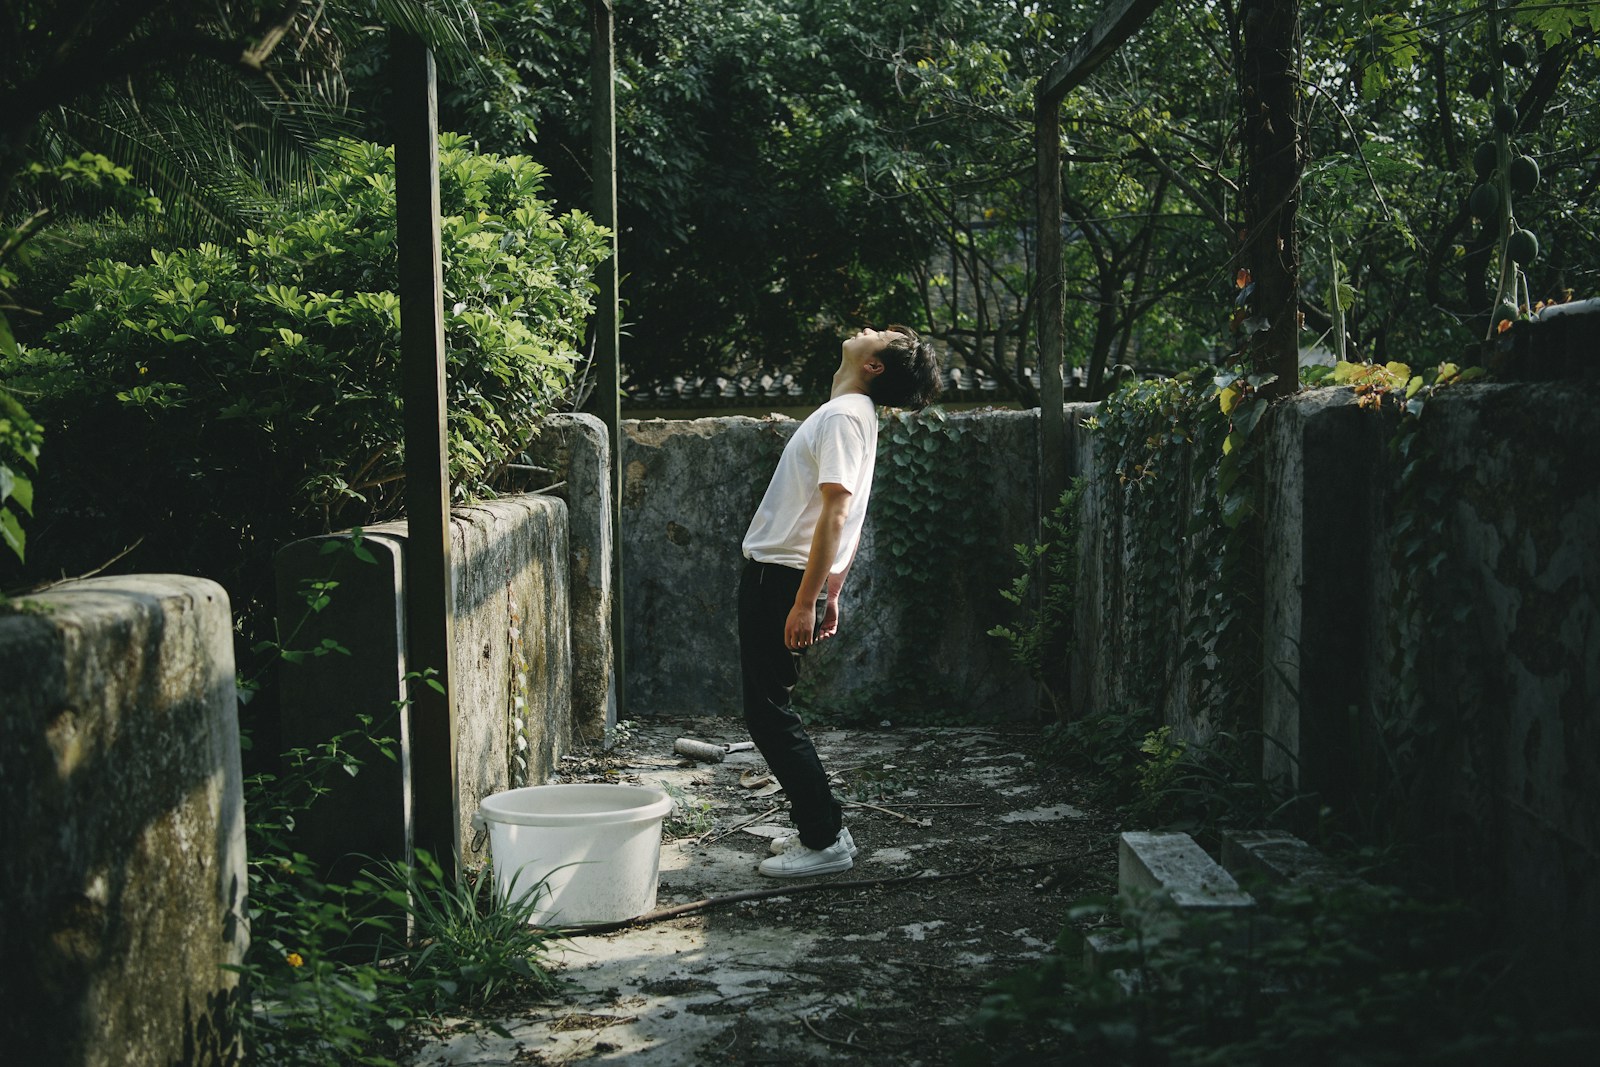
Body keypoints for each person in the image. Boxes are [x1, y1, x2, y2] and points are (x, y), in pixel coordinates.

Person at [740, 324, 941, 878]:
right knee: (771, 709)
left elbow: (836, 514)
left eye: (879, 334)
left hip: (780, 578)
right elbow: (844, 518)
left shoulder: (844, 416)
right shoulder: (852, 416)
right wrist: (830, 591)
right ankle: (826, 824)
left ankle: (824, 840)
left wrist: (806, 601)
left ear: (875, 365)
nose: (866, 329)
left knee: (768, 715)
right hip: (791, 577)